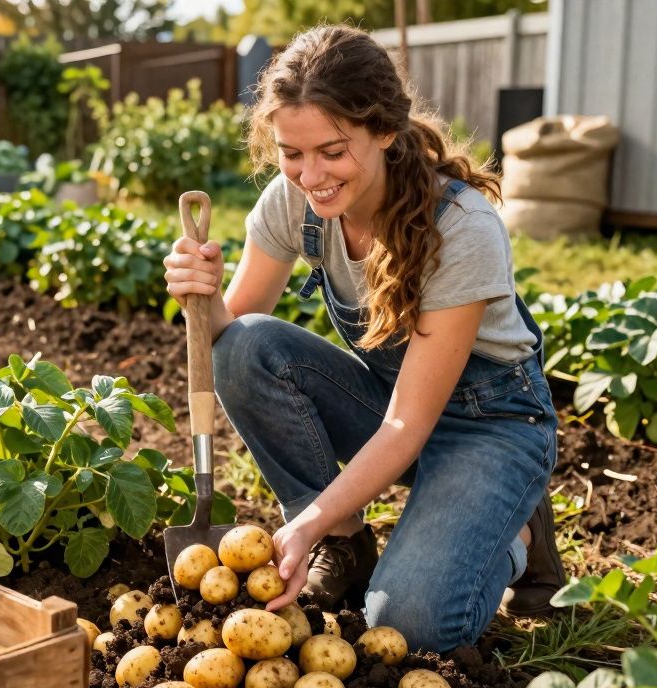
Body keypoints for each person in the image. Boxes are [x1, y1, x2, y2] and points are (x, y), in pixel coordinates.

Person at [163, 25, 563, 653]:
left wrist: (302, 522)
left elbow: (409, 425)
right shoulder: (291, 202)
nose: (310, 175)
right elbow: (226, 338)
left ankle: (518, 538)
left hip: (489, 427)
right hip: (392, 404)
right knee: (244, 348)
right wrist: (203, 291)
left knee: (409, 626)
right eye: (292, 153)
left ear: (384, 131)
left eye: (332, 150)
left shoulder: (461, 229)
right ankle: (344, 543)